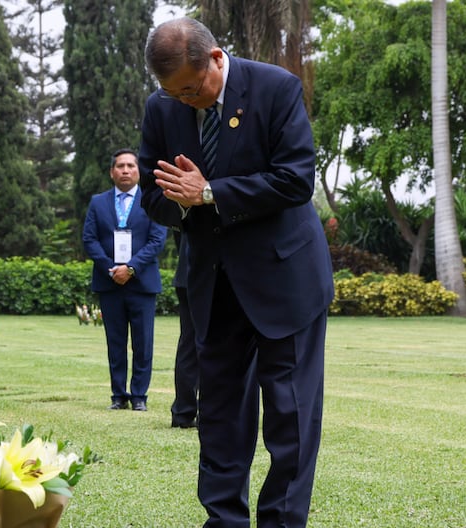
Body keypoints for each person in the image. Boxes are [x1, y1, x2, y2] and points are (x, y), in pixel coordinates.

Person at [137, 18, 335, 528]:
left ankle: (281, 522)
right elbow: (153, 197)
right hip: (214, 283)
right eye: (173, 92)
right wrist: (180, 202)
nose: (184, 100)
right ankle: (223, 521)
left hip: (285, 279)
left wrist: (209, 193)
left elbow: (295, 180)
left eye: (191, 87)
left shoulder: (275, 88)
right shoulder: (162, 108)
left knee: (290, 417)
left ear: (216, 59)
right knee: (221, 416)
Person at [83, 148, 167, 412]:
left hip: (142, 283)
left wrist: (130, 268)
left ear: (138, 171)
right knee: (115, 342)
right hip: (110, 283)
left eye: (131, 165)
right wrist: (112, 268)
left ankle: (139, 395)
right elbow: (89, 239)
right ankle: (118, 395)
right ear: (112, 172)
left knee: (143, 343)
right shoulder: (98, 202)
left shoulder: (153, 199)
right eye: (120, 166)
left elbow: (157, 241)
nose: (126, 170)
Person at [170, 229, 199, 428]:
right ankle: (210, 412)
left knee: (188, 344)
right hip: (210, 272)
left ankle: (183, 411)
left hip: (186, 271)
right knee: (217, 344)